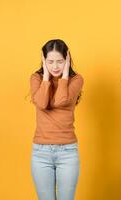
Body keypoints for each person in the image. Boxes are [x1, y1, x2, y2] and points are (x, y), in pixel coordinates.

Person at [30, 39, 83, 200]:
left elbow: (61, 100)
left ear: (67, 59)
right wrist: (46, 77)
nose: (55, 66)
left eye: (60, 61)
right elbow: (41, 103)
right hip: (41, 153)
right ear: (44, 61)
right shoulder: (36, 78)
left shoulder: (76, 80)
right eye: (50, 61)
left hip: (67, 152)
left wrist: (65, 75)